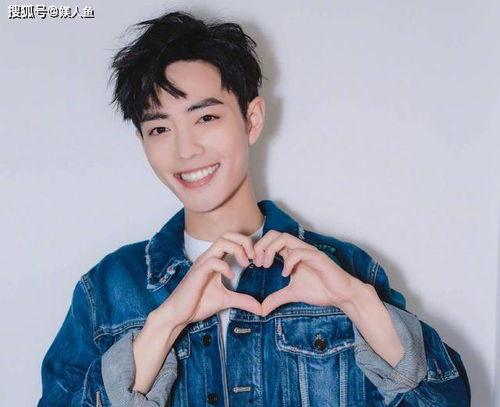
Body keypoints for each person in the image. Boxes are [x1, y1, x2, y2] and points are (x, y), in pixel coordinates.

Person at [37, 10, 470, 407]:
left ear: (252, 119)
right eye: (160, 128)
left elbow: (446, 400)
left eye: (206, 118)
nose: (186, 150)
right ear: (143, 142)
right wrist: (163, 325)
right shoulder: (107, 291)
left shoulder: (346, 269)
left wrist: (354, 300)